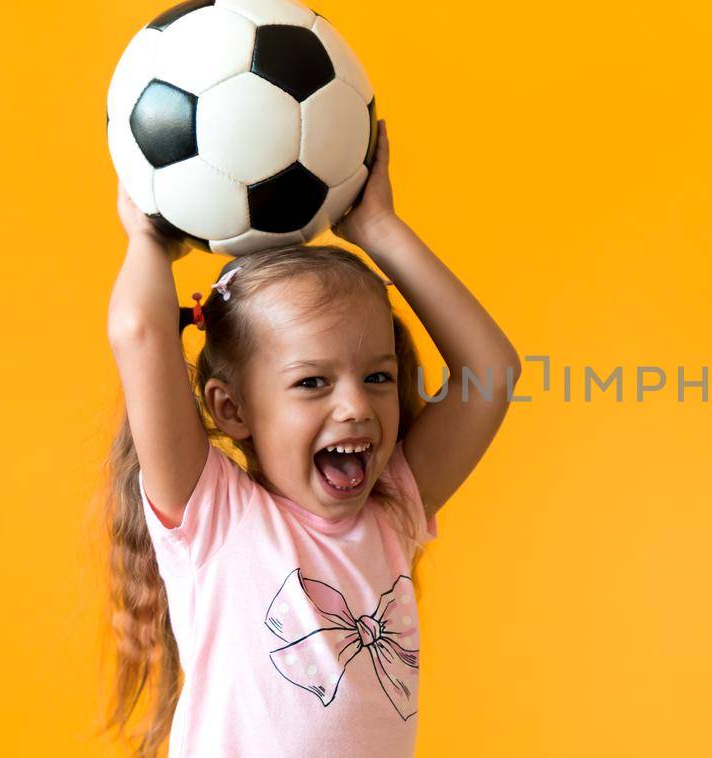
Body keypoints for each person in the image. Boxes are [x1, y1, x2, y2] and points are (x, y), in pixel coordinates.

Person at [100, 119, 519, 757]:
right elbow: (141, 330)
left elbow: (492, 373)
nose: (357, 406)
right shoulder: (215, 518)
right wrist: (150, 239)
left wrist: (379, 229)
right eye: (312, 383)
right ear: (231, 408)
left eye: (378, 375)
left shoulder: (391, 509)